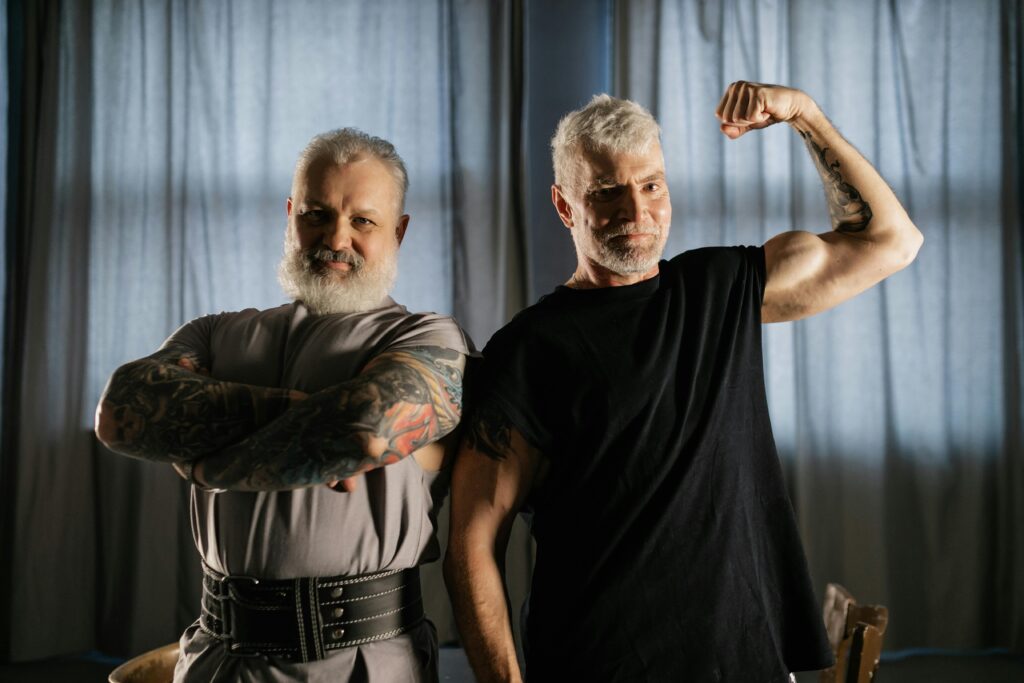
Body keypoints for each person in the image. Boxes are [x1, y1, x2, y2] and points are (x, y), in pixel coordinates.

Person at [444, 81, 923, 682]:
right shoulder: (530, 349)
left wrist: (805, 114)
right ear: (565, 206)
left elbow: (891, 241)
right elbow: (472, 543)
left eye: (651, 185)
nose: (636, 211)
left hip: (745, 660)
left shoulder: (720, 288)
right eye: (607, 192)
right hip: (598, 664)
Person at [95, 128, 472, 682]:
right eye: (317, 214)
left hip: (362, 663)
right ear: (291, 215)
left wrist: (207, 464)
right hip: (217, 656)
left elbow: (365, 429)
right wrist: (309, 418)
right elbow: (121, 413)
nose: (336, 238)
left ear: (399, 231)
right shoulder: (215, 332)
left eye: (363, 221)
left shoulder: (428, 338)